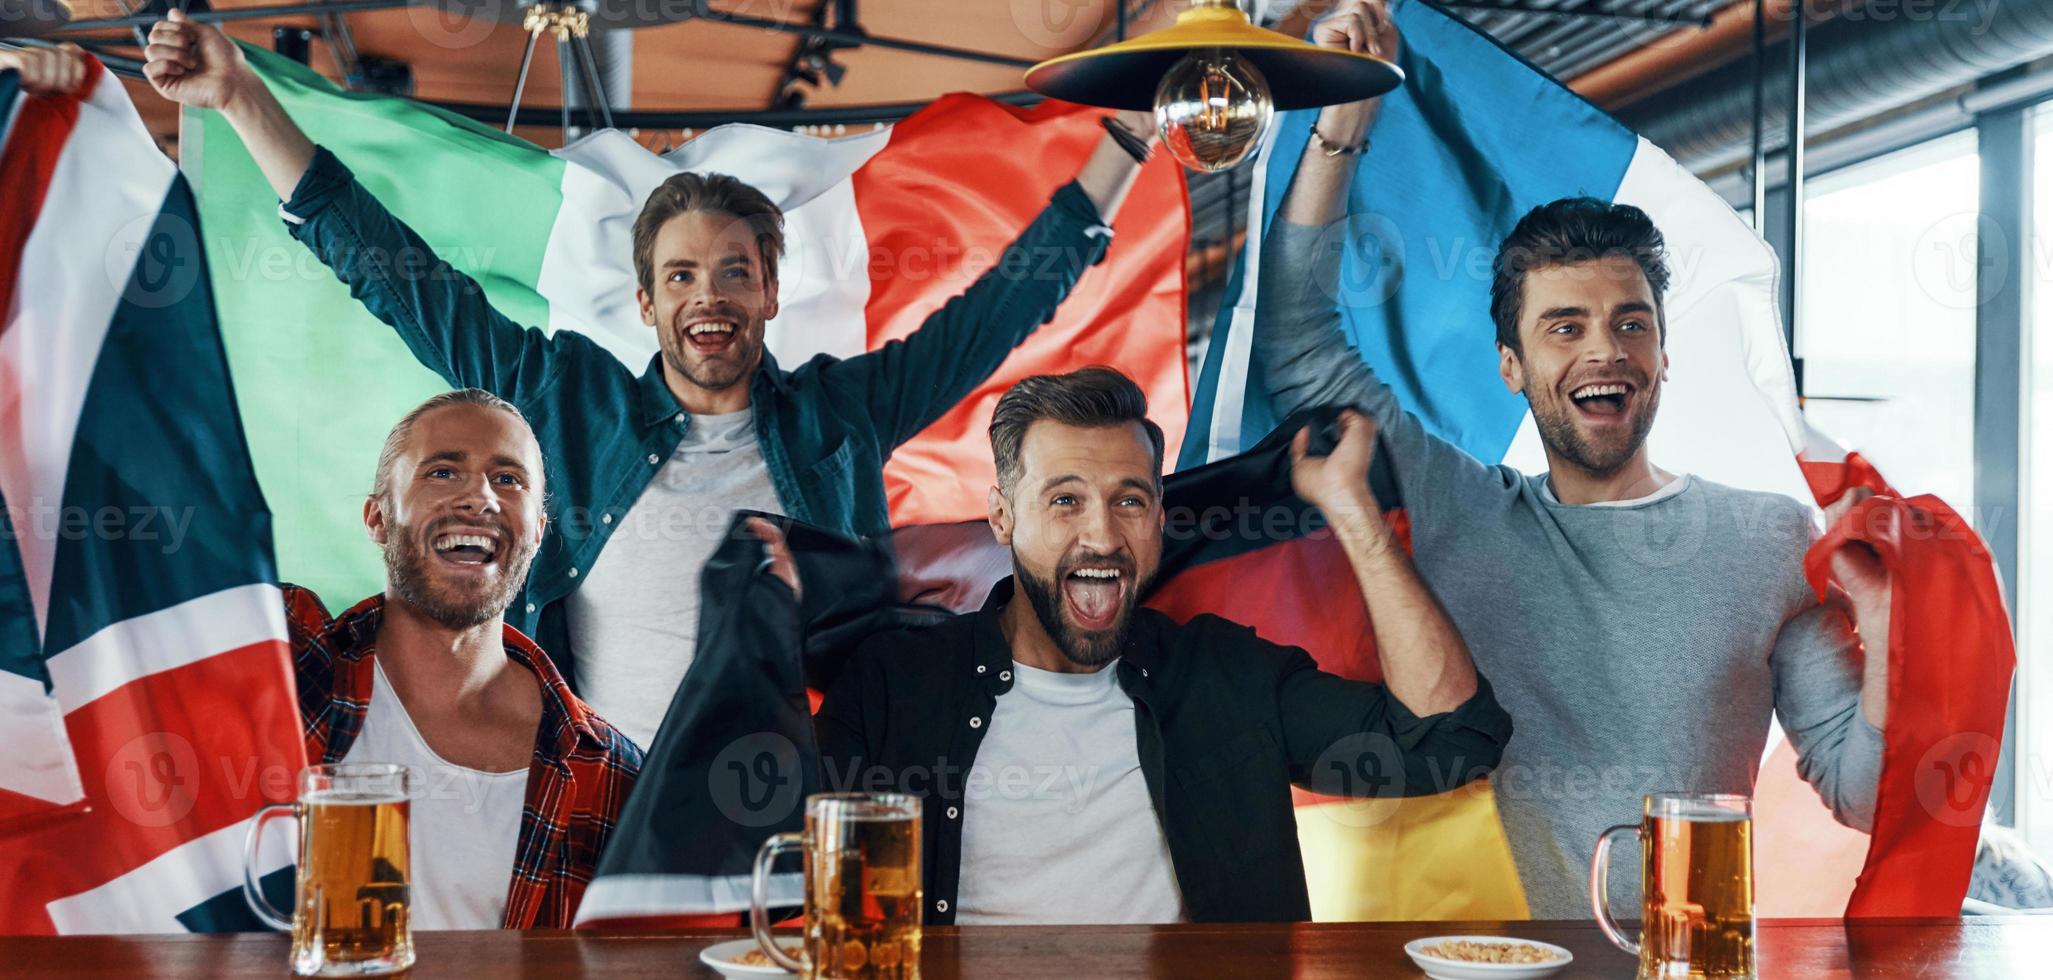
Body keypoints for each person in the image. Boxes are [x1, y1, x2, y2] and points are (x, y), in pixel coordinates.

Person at [142, 10, 1159, 747]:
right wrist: (238, 95)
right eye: (680, 275)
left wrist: (1127, 142)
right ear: (645, 303)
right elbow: (396, 276)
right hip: (603, 799)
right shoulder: (565, 401)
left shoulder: (840, 416)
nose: (706, 294)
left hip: (797, 805)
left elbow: (998, 312)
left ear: (769, 291)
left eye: (731, 271)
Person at [1254, 0, 1893, 920]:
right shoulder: (1459, 506)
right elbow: (1299, 346)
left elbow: (1860, 793)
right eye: (1565, 327)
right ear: (1511, 367)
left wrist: (1884, 628)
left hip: (1687, 964)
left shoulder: (1770, 536)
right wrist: (1340, 132)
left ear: (1663, 357)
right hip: (1476, 967)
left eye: (1630, 324)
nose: (1605, 349)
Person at [779, 367, 1511, 925]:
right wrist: (756, 625)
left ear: (1159, 518)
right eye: (1063, 500)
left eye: (1128, 499)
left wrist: (1350, 509)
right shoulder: (894, 681)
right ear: (1002, 518)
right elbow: (777, 856)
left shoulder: (1226, 673)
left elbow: (1447, 739)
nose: (1101, 535)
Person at [285, 388, 639, 929]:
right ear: (378, 518)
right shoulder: (286, 670)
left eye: (509, 479)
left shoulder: (612, 771)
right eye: (443, 472)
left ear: (538, 534)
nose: (481, 498)